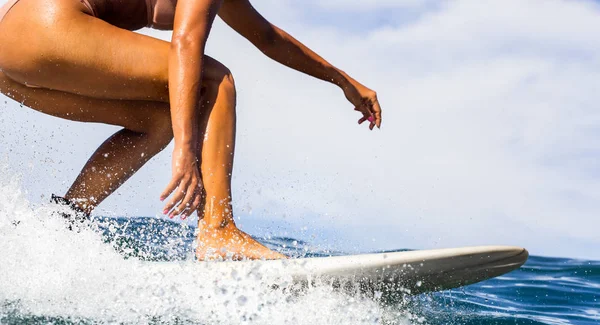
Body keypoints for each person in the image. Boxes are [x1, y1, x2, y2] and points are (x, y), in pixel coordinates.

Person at [0, 0, 383, 260]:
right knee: (214, 80)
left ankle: (62, 222)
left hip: (15, 51)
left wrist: (342, 80)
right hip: (47, 26)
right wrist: (186, 150)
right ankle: (218, 228)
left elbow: (266, 36)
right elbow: (186, 42)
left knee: (158, 122)